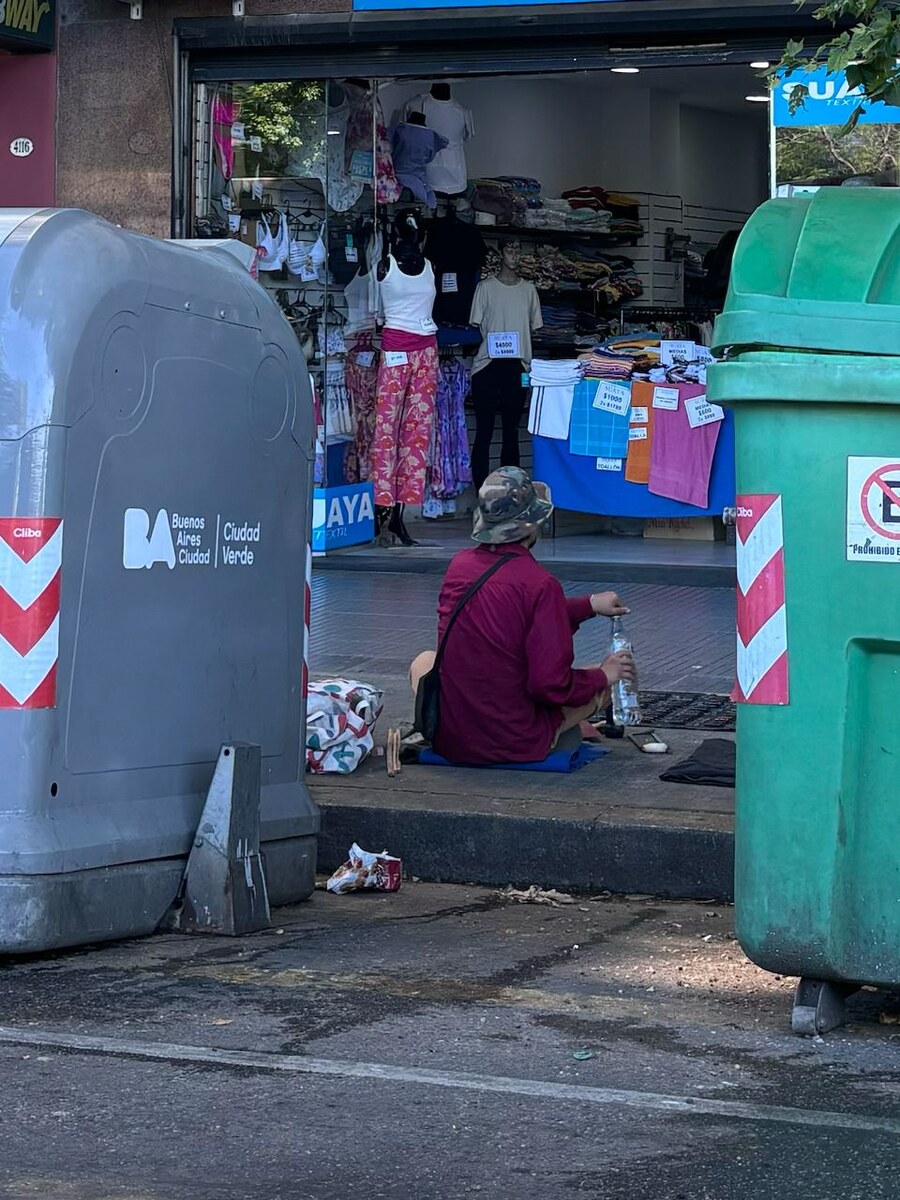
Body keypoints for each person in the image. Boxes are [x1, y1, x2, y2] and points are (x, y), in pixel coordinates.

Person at [409, 467, 636, 765]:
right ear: (531, 525)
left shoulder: (459, 566)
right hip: (512, 740)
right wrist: (603, 674)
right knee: (610, 677)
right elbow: (550, 685)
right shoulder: (540, 584)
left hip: (451, 738)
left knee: (424, 660)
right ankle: (556, 731)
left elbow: (514, 613)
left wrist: (589, 605)